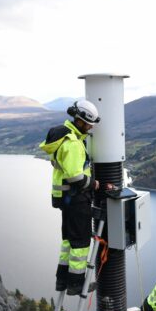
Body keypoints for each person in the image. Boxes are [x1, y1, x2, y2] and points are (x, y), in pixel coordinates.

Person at [39, 100, 102, 296]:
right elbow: (75, 176)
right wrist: (94, 184)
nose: (91, 127)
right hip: (77, 199)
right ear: (81, 121)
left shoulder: (63, 138)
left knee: (68, 241)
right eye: (89, 124)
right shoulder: (73, 143)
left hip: (65, 199)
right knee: (81, 243)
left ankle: (62, 280)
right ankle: (76, 284)